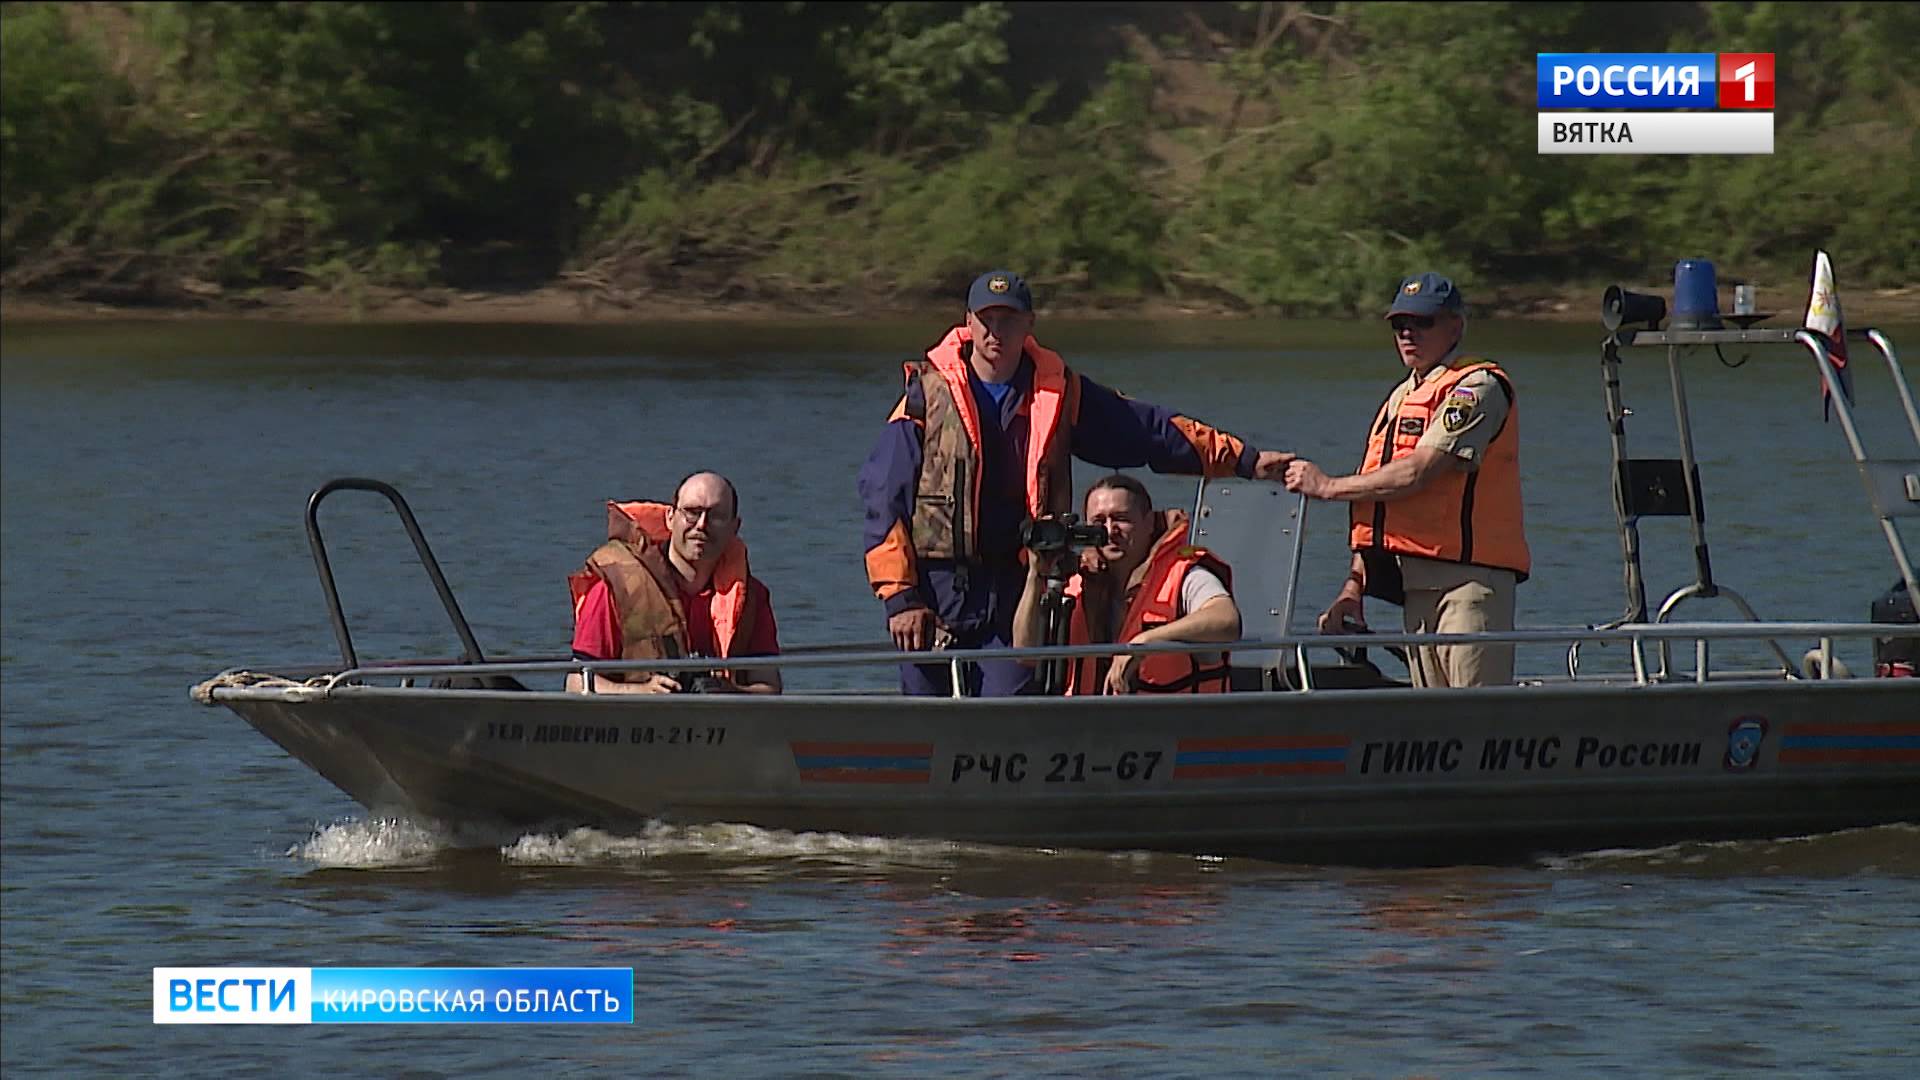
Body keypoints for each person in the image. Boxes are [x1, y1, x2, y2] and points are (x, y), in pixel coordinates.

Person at [859, 269, 1293, 697]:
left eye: (1008, 320)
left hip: (1019, 586)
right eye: (986, 320)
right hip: (936, 593)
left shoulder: (1060, 392)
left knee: (1009, 714)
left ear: (1028, 325)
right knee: (927, 715)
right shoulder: (924, 399)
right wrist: (901, 599)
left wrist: (1244, 460)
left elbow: (1148, 430)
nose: (996, 333)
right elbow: (884, 500)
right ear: (968, 323)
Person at [1283, 272, 1529, 687]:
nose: (1408, 333)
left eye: (1423, 322)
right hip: (1414, 589)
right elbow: (1378, 509)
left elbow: (1419, 471)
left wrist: (1327, 487)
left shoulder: (1478, 386)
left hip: (1466, 585)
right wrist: (1354, 588)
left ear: (1456, 325)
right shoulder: (1401, 397)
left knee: (1477, 718)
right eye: (1400, 325)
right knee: (1431, 724)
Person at [1013, 473, 1240, 695]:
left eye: (1121, 519)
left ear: (1149, 522)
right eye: (1099, 521)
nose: (1111, 531)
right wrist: (1036, 574)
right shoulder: (1076, 585)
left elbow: (1226, 621)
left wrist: (1147, 641)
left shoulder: (1183, 574)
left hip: (1169, 725)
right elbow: (1026, 651)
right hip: (1089, 725)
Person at [566, 471, 782, 694]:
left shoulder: (753, 597)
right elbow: (576, 683)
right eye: (691, 513)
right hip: (635, 722)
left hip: (724, 722)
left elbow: (770, 687)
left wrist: (730, 692)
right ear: (670, 517)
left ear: (734, 527)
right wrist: (639, 691)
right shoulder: (615, 588)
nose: (701, 525)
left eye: (716, 516)